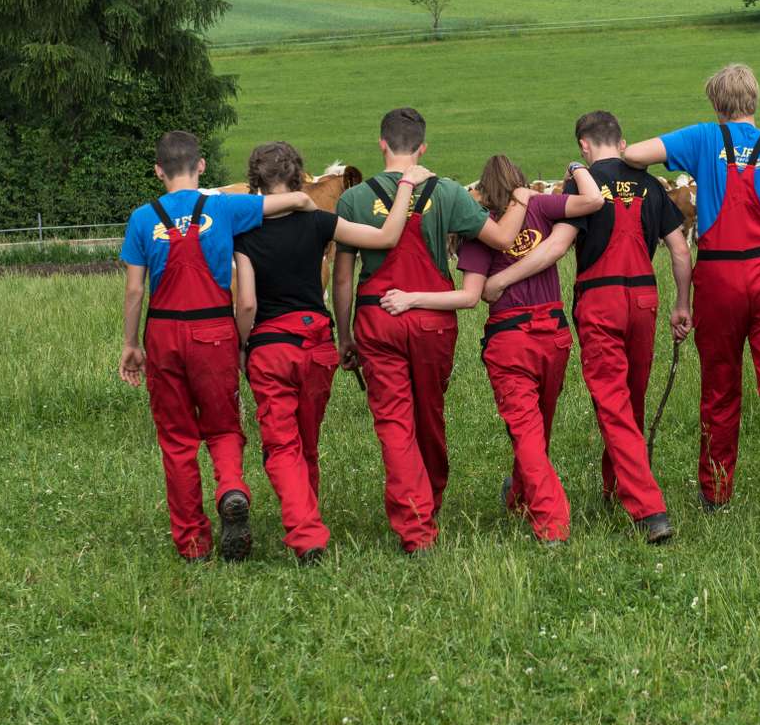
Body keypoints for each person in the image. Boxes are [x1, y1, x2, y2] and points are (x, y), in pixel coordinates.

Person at [621, 64, 760, 525]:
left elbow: (636, 154)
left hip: (717, 278)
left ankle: (716, 490)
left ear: (716, 105)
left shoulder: (701, 139)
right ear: (755, 99)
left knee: (720, 385)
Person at [482, 111, 691, 544]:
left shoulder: (581, 185)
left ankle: (649, 510)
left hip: (600, 300)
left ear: (584, 145)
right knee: (631, 399)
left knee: (612, 404)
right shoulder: (651, 184)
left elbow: (556, 248)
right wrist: (681, 304)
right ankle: (615, 487)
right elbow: (679, 250)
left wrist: (504, 278)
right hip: (645, 300)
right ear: (622, 140)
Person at [333, 109, 532, 555]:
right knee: (429, 414)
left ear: (381, 143)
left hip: (377, 316)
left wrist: (344, 334)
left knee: (393, 424)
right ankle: (431, 498)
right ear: (423, 146)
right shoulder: (446, 193)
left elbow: (343, 278)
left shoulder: (354, 200)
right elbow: (501, 239)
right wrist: (520, 197)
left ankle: (416, 526)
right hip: (432, 321)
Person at [379, 154, 603, 544]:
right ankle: (520, 498)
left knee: (528, 433)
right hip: (553, 333)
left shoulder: (480, 233)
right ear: (518, 182)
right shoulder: (540, 205)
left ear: (483, 190)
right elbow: (594, 200)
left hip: (510, 338)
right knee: (538, 428)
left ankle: (551, 523)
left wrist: (414, 299)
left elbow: (471, 298)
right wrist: (576, 167)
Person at [118, 130, 316, 563]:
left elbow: (135, 292)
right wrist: (306, 203)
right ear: (201, 166)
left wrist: (131, 345)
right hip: (214, 332)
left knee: (176, 439)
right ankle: (231, 487)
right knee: (223, 425)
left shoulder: (141, 218)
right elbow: (289, 203)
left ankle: (192, 542)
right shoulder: (224, 207)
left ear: (158, 171)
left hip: (164, 333)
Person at [232, 141, 433, 565]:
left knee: (281, 446)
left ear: (255, 181)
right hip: (316, 343)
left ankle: (307, 536)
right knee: (307, 441)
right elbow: (386, 236)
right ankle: (308, 514)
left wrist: (242, 345)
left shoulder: (244, 233)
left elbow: (246, 302)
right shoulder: (321, 221)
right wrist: (404, 189)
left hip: (271, 346)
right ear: (299, 174)